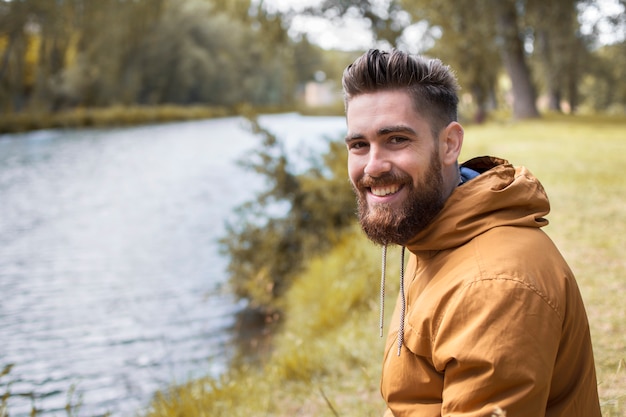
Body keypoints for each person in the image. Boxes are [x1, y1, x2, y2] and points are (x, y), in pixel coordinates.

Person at [342, 48, 601, 417]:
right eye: (359, 145)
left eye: (397, 139)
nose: (373, 166)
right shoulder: (432, 229)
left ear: (450, 144)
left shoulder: (493, 285)